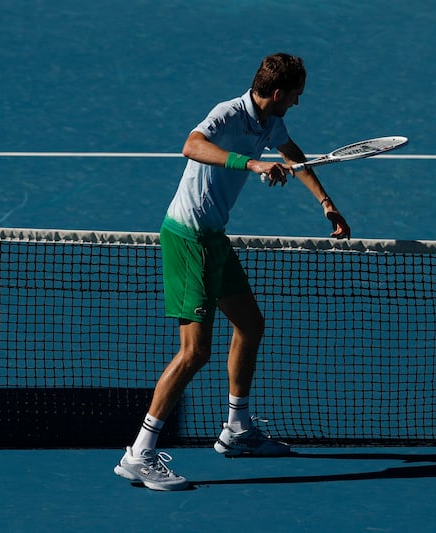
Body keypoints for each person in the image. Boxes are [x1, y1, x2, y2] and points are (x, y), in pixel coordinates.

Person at [114, 53, 351, 491]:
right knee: (194, 352)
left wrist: (326, 203)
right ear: (278, 93)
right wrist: (252, 163)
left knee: (250, 324)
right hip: (188, 237)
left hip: (213, 237)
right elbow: (192, 146)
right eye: (296, 96)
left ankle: (236, 429)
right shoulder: (228, 113)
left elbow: (291, 151)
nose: (298, 103)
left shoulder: (268, 121)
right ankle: (139, 454)